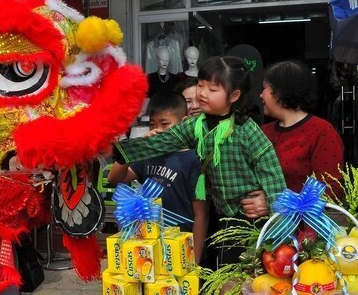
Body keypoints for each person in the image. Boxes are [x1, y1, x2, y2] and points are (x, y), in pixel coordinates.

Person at [114, 56, 286, 270]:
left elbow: (270, 170)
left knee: (247, 272)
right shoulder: (197, 125)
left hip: (249, 216)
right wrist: (123, 152)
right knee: (223, 270)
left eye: (212, 89)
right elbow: (166, 140)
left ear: (234, 96)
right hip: (221, 215)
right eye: (201, 85)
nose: (202, 93)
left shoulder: (247, 130)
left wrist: (271, 204)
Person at [108, 92, 208, 262]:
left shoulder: (193, 160)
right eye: (152, 124)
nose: (157, 130)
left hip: (181, 248)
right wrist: (134, 150)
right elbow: (115, 179)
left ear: (183, 123)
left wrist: (195, 260)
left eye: (165, 124)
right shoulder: (150, 154)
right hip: (149, 243)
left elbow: (201, 215)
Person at [257, 60, 344, 195]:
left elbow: (331, 189)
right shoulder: (263, 132)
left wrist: (276, 202)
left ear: (280, 91)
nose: (261, 95)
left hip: (302, 216)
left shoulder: (321, 132)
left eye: (265, 88)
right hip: (265, 217)